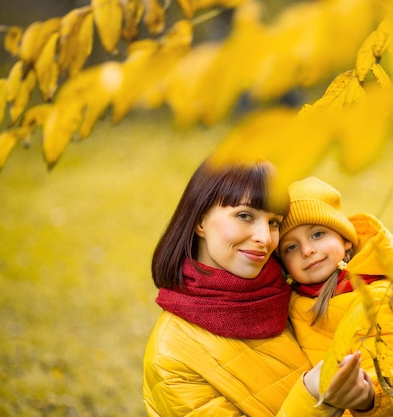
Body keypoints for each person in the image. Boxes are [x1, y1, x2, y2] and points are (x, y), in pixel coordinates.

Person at [142, 157, 374, 417]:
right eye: (244, 215)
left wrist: (366, 400)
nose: (264, 238)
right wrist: (313, 397)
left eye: (273, 222)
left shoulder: (297, 289)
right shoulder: (171, 356)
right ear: (200, 221)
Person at [277, 176, 393, 417]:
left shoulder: (378, 295)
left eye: (317, 234)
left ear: (345, 240)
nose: (307, 250)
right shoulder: (294, 299)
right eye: (291, 247)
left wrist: (367, 393)